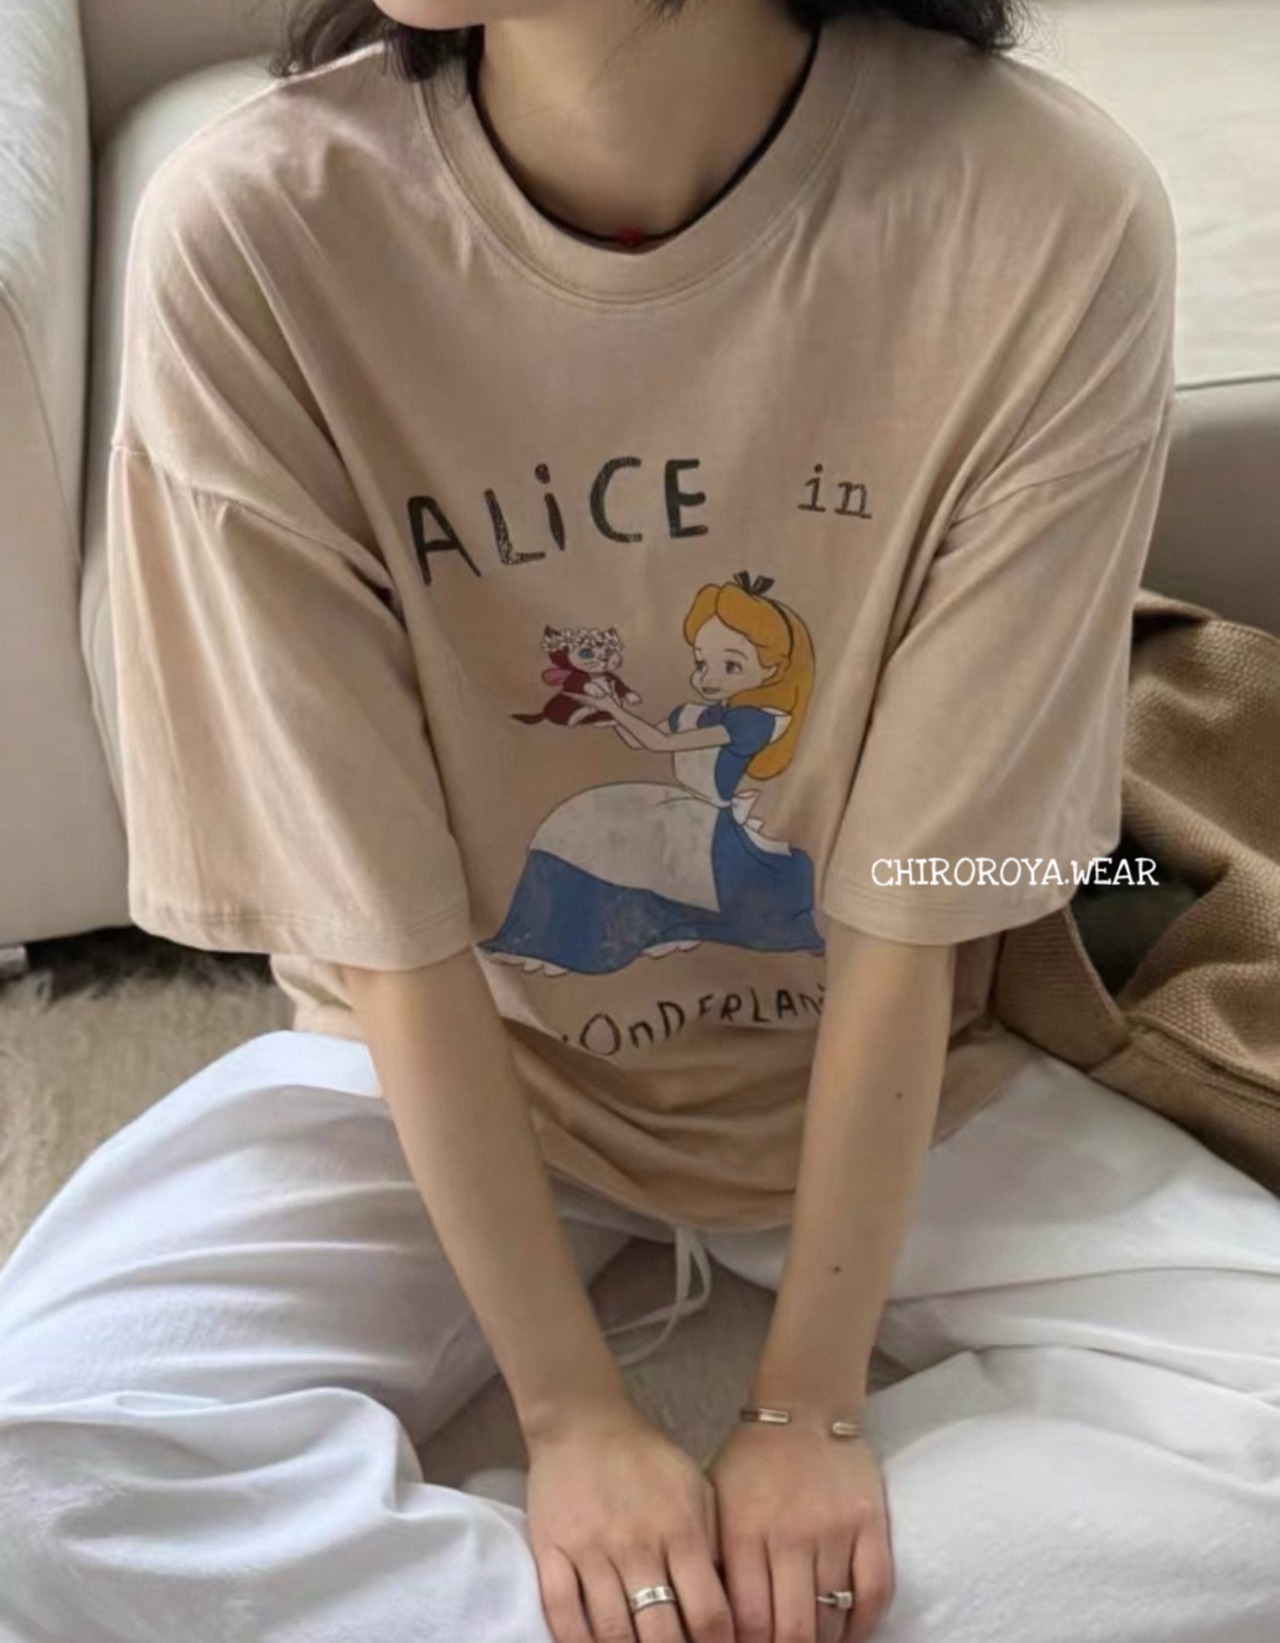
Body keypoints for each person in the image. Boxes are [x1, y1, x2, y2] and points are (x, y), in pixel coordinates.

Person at [1, 2, 1278, 1641]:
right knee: (37, 1472)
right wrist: (572, 1421)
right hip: (447, 1061)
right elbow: (382, 923)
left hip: (889, 1068)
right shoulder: (262, 232)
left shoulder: (1036, 211)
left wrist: (810, 1409)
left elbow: (911, 906)